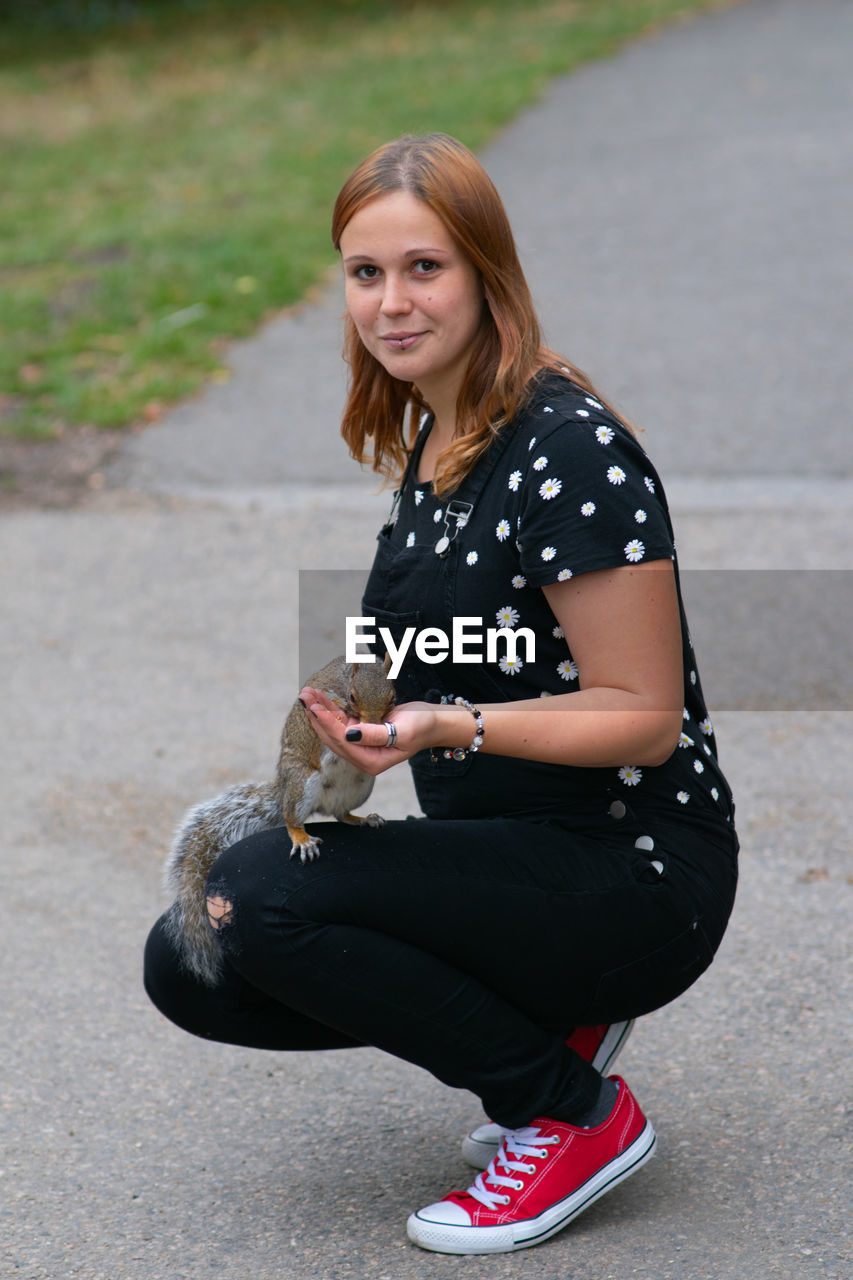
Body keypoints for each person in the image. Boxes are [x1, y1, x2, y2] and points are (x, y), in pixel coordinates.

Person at [144, 133, 738, 1256]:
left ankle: (569, 1112)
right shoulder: (436, 433)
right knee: (195, 947)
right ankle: (554, 1024)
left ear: (485, 273)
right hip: (517, 847)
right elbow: (425, 638)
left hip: (636, 867)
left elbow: (645, 714)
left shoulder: (571, 452)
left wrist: (452, 724)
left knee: (265, 898)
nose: (392, 301)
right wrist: (331, 730)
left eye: (426, 268)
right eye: (366, 273)